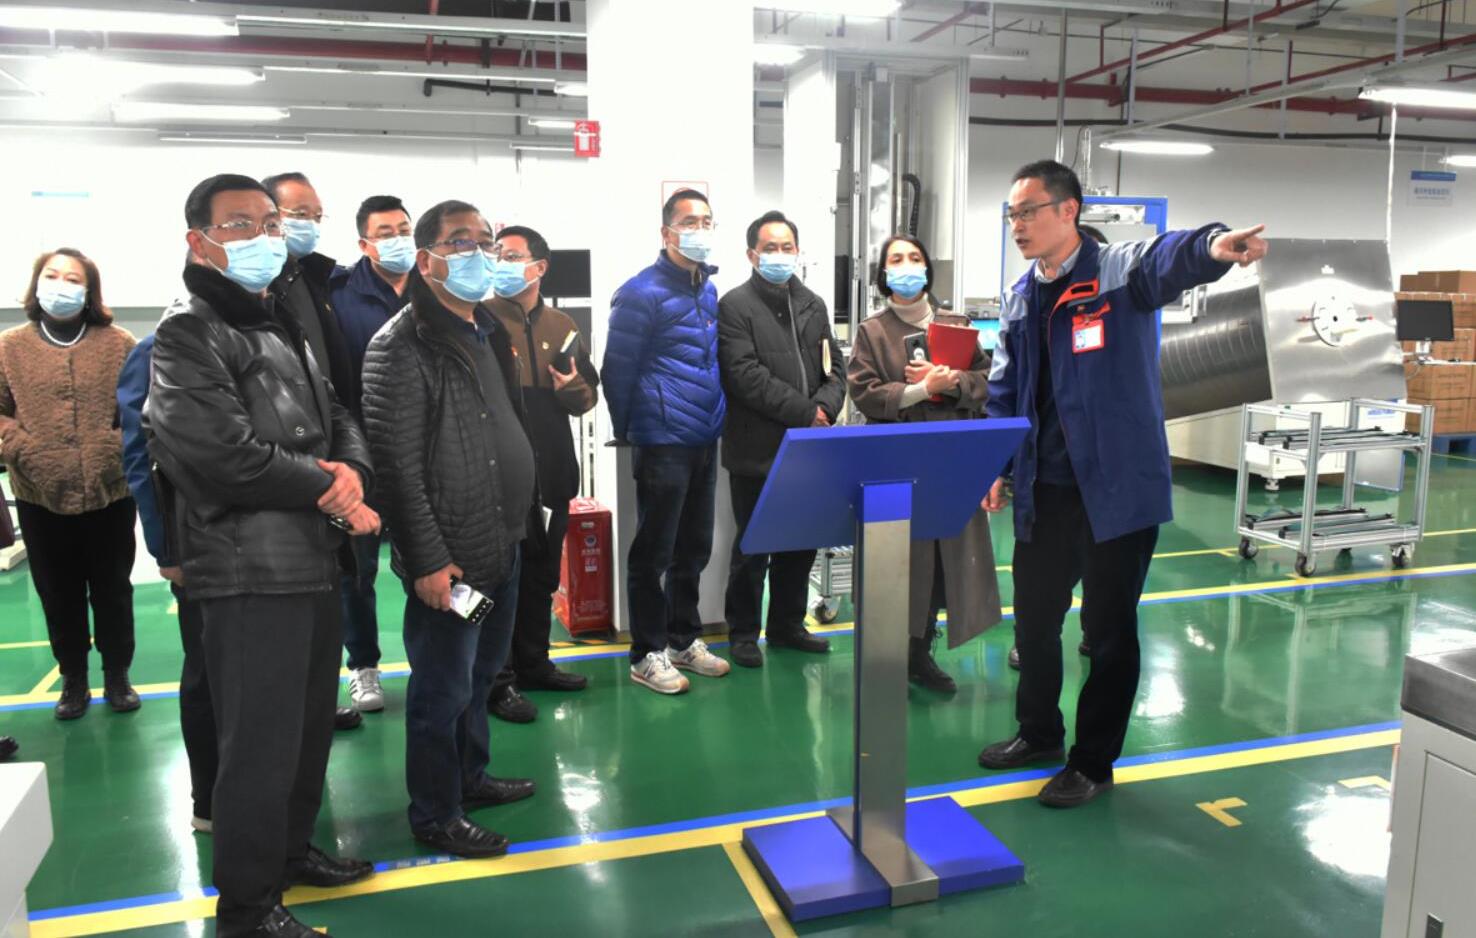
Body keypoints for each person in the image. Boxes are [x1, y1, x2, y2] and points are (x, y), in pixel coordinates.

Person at [978, 159, 1267, 808]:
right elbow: (1004, 391)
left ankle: (1092, 762)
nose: (1017, 225)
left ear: (1068, 210)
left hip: (1117, 488)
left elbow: (1168, 257)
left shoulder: (1116, 272)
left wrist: (1211, 246)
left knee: (1108, 632)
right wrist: (997, 465)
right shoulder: (1021, 295)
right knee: (1033, 623)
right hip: (1046, 489)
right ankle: (1038, 733)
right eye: (1011, 214)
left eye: (1028, 211)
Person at [146, 173, 378, 937]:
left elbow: (334, 409)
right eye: (241, 224)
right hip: (248, 570)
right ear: (199, 242)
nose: (265, 237)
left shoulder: (279, 318)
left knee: (307, 731)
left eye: (271, 224)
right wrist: (330, 486)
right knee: (258, 747)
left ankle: (290, 853)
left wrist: (352, 468)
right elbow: (221, 455)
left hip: (312, 560)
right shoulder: (189, 331)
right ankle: (247, 908)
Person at [118, 336, 366, 832]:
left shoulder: (277, 340)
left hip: (289, 543)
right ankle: (209, 801)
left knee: (282, 684)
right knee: (209, 675)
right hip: (207, 545)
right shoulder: (167, 347)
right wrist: (167, 548)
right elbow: (144, 457)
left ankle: (285, 817)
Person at [360, 199, 538, 859]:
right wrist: (429, 561)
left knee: (482, 672)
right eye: (460, 242)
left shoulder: (485, 327)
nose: (478, 253)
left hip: (500, 543)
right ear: (427, 259)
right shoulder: (401, 345)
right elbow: (396, 469)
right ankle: (436, 813)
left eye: (484, 241)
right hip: (452, 560)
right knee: (441, 689)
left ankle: (470, 779)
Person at [846, 235, 1002, 694]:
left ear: (928, 268)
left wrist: (951, 383)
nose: (907, 265)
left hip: (951, 458)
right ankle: (891, 652)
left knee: (943, 558)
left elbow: (986, 381)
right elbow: (864, 393)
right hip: (897, 460)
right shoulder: (872, 332)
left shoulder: (957, 326)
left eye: (914, 258)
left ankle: (920, 651)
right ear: (883, 273)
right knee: (899, 559)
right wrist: (918, 391)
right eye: (896, 259)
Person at [0, 248, 139, 720]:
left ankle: (117, 674)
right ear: (37, 283)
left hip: (109, 492)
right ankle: (73, 678)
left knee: (113, 590)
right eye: (52, 275)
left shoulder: (118, 343)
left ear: (89, 290)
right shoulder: (9, 347)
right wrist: (21, 446)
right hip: (39, 495)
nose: (61, 285)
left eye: (73, 278)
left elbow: (139, 410)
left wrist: (111, 448)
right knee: (57, 594)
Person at [602, 189, 730, 695]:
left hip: (704, 437)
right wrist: (632, 431)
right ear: (666, 232)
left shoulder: (707, 289)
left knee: (693, 548)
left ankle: (683, 639)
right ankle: (646, 652)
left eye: (707, 221)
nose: (699, 230)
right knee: (653, 552)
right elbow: (617, 371)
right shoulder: (640, 293)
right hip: (662, 440)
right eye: (689, 221)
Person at [717, 210, 844, 669]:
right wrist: (806, 413)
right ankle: (743, 632)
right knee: (754, 545)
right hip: (757, 448)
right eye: (769, 248)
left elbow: (835, 368)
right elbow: (744, 375)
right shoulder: (734, 306)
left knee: (801, 542)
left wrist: (825, 407)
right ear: (752, 255)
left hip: (808, 450)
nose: (779, 255)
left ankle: (788, 625)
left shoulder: (813, 305)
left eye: (786, 247)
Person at [485, 224, 600, 724]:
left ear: (540, 267)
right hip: (499, 471)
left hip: (552, 467)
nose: (501, 263)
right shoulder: (480, 320)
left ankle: (535, 663)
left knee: (542, 572)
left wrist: (570, 387)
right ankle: (498, 679)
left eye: (511, 255)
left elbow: (587, 398)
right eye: (496, 254)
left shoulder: (563, 325)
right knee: (499, 578)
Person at [1006, 221, 1108, 673]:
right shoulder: (1028, 303)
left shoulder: (1118, 316)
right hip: (1046, 478)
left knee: (1105, 588)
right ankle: (1032, 652)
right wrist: (1002, 467)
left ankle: (1094, 633)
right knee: (1040, 593)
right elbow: (1007, 389)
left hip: (1106, 480)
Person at [328, 195, 415, 713]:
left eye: (404, 228)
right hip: (363, 458)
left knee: (431, 563)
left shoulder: (433, 287)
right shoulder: (339, 297)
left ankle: (437, 658)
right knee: (356, 573)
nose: (398, 239)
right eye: (386, 232)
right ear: (364, 243)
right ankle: (362, 666)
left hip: (426, 457)